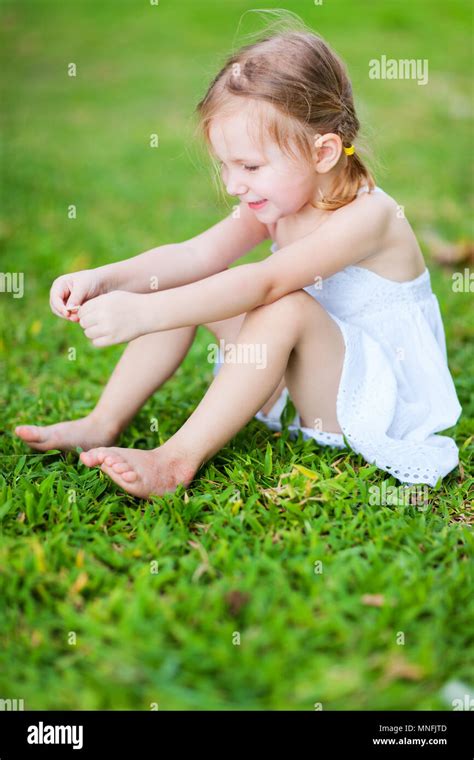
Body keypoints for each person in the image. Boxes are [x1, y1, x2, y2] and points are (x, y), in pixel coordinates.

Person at [15, 26, 462, 498]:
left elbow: (267, 283)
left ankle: (174, 462)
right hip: (293, 381)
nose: (233, 184)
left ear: (324, 152)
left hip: (367, 398)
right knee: (191, 279)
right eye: (225, 166)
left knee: (284, 304)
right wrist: (104, 279)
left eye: (249, 167)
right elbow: (194, 256)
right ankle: (102, 421)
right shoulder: (278, 201)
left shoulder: (369, 216)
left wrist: (144, 313)